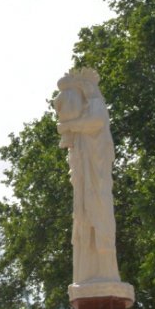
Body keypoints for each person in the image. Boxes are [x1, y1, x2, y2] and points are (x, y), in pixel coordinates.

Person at [55, 68, 121, 285]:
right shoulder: (84, 115)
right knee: (84, 214)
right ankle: (90, 265)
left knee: (98, 210)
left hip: (96, 173)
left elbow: (96, 122)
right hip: (85, 178)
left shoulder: (95, 103)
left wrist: (68, 125)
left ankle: (101, 264)